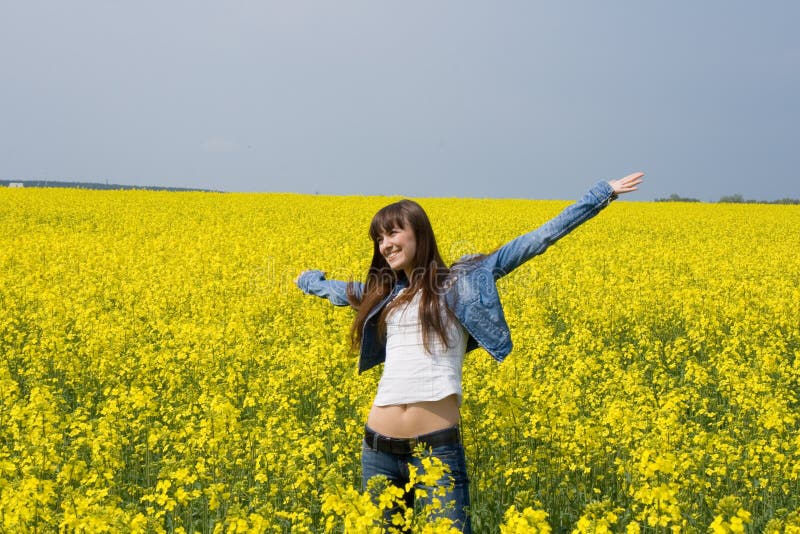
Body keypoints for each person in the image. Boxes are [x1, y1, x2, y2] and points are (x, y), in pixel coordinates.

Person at [295, 172, 644, 532]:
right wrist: (307, 280)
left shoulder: (463, 281)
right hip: (378, 450)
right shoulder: (383, 292)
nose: (385, 244)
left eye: (393, 233)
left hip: (436, 450)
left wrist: (603, 194)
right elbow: (335, 291)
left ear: (419, 232)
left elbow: (536, 240)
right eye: (379, 238)